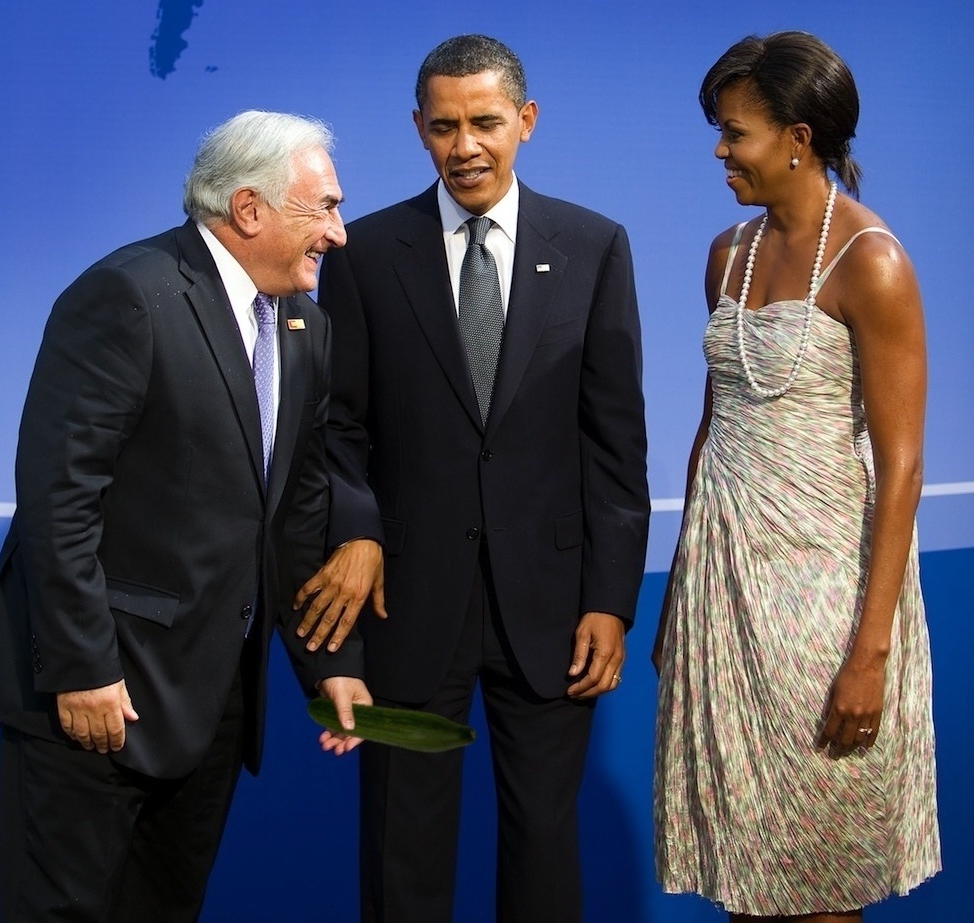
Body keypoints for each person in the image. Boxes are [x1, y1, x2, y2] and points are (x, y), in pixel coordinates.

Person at [0, 110, 371, 923]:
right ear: (250, 208)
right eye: (325, 207)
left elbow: (293, 514)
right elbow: (60, 498)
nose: (338, 232)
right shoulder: (128, 295)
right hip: (98, 695)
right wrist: (82, 667)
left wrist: (328, 660)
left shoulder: (305, 327)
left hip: (211, 704)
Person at [293, 33, 649, 923]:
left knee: (544, 847)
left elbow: (615, 442)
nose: (465, 147)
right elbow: (338, 429)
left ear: (526, 121)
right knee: (401, 851)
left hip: (554, 608)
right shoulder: (367, 253)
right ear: (418, 127)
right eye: (444, 126)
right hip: (407, 603)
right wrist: (360, 529)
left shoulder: (595, 246)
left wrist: (611, 599)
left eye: (485, 122)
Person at [652, 31, 941, 922]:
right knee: (745, 870)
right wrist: (678, 595)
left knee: (821, 879)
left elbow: (902, 469)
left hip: (827, 599)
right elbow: (710, 426)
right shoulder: (725, 254)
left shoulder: (873, 261)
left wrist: (870, 652)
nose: (720, 151)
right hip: (726, 586)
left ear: (798, 139)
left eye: (734, 132)